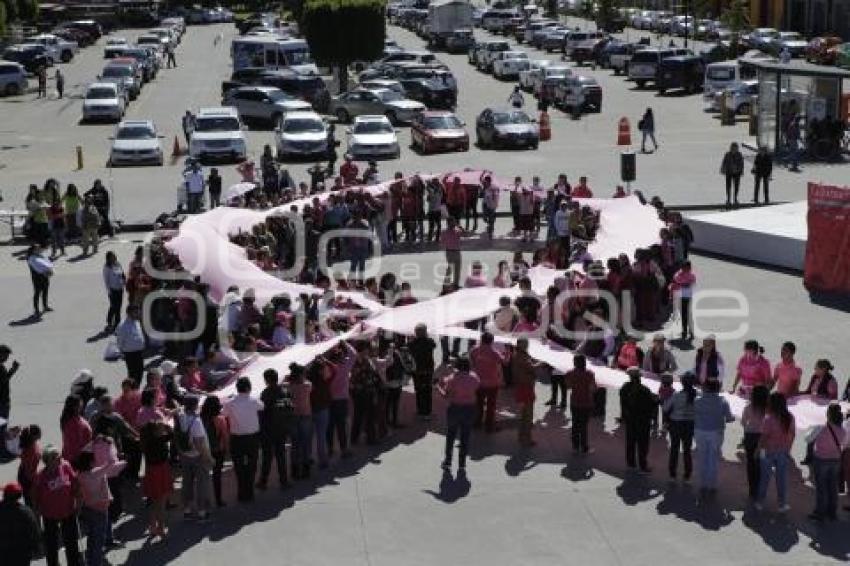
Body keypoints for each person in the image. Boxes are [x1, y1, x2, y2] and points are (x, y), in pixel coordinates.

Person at [33, 445, 82, 566]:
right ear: (48, 461)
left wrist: (79, 504)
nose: (60, 458)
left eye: (59, 455)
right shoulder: (40, 477)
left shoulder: (65, 466)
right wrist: (37, 516)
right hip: (50, 515)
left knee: (71, 543)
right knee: (51, 545)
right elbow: (36, 498)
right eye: (55, 457)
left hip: (68, 511)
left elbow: (75, 484)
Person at [76, 450, 125, 566]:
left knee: (92, 536)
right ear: (90, 462)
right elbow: (111, 464)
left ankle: (90, 558)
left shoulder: (80, 476)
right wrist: (116, 455)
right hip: (100, 509)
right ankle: (96, 562)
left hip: (88, 508)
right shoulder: (96, 473)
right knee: (99, 539)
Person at [223, 377, 263, 502]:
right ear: (248, 388)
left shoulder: (230, 403)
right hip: (252, 438)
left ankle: (241, 492)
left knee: (239, 467)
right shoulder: (254, 400)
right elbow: (262, 407)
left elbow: (223, 414)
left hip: (237, 439)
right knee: (252, 465)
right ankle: (249, 492)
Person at [755, 392, 795, 512]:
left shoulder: (768, 419)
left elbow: (763, 437)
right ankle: (782, 504)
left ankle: (760, 502)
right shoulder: (790, 417)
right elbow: (792, 434)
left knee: (764, 478)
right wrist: (788, 448)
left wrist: (758, 450)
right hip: (783, 451)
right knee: (781, 479)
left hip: (767, 451)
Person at [438, 357, 479, 472]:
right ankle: (462, 464)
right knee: (465, 437)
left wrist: (438, 387)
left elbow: (445, 395)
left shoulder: (452, 379)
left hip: (455, 408)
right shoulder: (474, 377)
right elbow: (476, 387)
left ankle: (448, 461)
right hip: (469, 409)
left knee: (451, 436)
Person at [693, 379, 734, 496]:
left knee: (702, 457)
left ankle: (702, 484)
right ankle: (712, 486)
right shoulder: (723, 401)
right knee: (713, 459)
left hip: (700, 431)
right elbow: (729, 418)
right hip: (716, 432)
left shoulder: (697, 400)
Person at [176, 395, 213, 520]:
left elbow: (178, 408)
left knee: (187, 482)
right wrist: (208, 457)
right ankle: (202, 511)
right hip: (198, 456)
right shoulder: (196, 422)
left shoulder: (180, 416)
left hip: (184, 455)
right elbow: (199, 443)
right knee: (202, 483)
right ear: (195, 405)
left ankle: (186, 510)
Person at [808, 404, 846, 521]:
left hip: (821, 460)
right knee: (833, 486)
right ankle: (832, 511)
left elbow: (808, 439)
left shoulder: (821, 428)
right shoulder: (843, 430)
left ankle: (820, 512)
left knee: (821, 488)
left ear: (828, 415)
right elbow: (843, 444)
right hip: (835, 460)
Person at [138, 412, 173, 537]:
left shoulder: (146, 441)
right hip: (161, 471)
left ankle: (153, 526)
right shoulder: (159, 440)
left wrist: (160, 426)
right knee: (161, 503)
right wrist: (167, 426)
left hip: (151, 471)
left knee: (154, 501)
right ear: (155, 431)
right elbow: (171, 434)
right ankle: (161, 528)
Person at [257, 369, 290, 490]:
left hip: (268, 429)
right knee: (281, 455)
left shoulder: (265, 393)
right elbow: (289, 410)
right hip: (281, 428)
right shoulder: (284, 392)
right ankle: (284, 480)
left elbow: (262, 412)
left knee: (267, 457)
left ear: (267, 380)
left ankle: (263, 481)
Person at [619, 367, 655, 473]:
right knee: (643, 444)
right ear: (639, 377)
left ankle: (631, 463)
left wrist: (624, 416)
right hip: (643, 421)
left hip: (630, 419)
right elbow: (651, 405)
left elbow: (622, 403)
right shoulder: (645, 390)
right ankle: (643, 466)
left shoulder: (625, 388)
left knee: (630, 442)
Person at [664, 372, 697, 481]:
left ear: (682, 383)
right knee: (687, 450)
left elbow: (666, 408)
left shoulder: (676, 395)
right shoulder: (697, 396)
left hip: (676, 424)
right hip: (689, 425)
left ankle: (672, 474)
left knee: (674, 449)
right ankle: (687, 475)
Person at [0, 481, 41, 566]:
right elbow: (34, 531)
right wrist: (36, 548)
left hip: (4, 553)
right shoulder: (26, 512)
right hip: (23, 553)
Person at [470, 332, 504, 432]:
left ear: (481, 339)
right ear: (492, 341)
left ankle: (477, 422)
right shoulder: (495, 352)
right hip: (492, 383)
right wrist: (508, 353)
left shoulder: (474, 350)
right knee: (491, 405)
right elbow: (504, 362)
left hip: (478, 382)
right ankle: (489, 426)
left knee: (478, 403)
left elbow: (471, 360)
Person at [741, 385, 768, 500]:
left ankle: (752, 489)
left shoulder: (748, 407)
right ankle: (761, 488)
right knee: (762, 463)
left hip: (750, 436)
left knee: (750, 462)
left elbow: (743, 422)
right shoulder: (768, 408)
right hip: (764, 438)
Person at [200, 396, 228, 506]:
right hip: (218, 450)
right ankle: (218, 499)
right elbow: (225, 436)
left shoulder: (201, 418)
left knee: (204, 476)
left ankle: (205, 500)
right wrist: (226, 449)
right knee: (217, 475)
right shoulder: (220, 419)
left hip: (204, 449)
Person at [565, 355, 597, 454]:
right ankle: (584, 447)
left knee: (575, 424)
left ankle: (575, 446)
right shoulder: (589, 374)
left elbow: (568, 386)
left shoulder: (569, 373)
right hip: (586, 402)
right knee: (583, 426)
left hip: (575, 401)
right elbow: (593, 388)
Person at [288, 364, 314, 478]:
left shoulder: (288, 386)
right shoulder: (307, 385)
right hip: (305, 415)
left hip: (293, 416)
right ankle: (306, 469)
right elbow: (307, 381)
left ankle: (294, 470)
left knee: (295, 444)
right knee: (306, 443)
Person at [512, 337, 538, 447]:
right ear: (520, 345)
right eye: (525, 343)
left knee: (523, 415)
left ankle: (521, 436)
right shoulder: (522, 357)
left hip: (521, 386)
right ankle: (527, 439)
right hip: (526, 387)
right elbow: (531, 368)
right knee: (528, 415)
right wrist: (540, 364)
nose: (527, 345)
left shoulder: (516, 355)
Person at [409, 324, 437, 419]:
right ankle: (427, 412)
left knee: (418, 390)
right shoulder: (430, 342)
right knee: (427, 391)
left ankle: (420, 410)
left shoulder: (413, 343)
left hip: (417, 370)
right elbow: (434, 345)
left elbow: (409, 349)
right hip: (428, 370)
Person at [116, 305, 146, 385]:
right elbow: (120, 341)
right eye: (136, 312)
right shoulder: (123, 326)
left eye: (139, 312)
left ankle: (136, 390)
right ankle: (131, 390)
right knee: (133, 374)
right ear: (129, 313)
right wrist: (122, 352)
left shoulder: (137, 322)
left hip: (139, 352)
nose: (139, 314)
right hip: (130, 354)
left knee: (140, 372)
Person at [0, 345, 21, 451]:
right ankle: (2, 448)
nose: (7, 357)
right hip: (2, 402)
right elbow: (3, 382)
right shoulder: (0, 368)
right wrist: (13, 370)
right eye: (6, 355)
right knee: (2, 424)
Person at [670, 261, 696, 340]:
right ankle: (684, 330)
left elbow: (693, 283)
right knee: (682, 314)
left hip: (687, 295)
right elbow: (674, 284)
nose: (686, 269)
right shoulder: (677, 275)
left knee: (688, 314)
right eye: (684, 268)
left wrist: (686, 284)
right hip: (679, 295)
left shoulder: (692, 275)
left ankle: (690, 331)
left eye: (688, 268)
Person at [26, 244, 53, 318]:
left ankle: (45, 306)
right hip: (37, 278)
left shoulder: (42, 256)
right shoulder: (31, 258)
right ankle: (36, 310)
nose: (40, 249)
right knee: (37, 293)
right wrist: (45, 272)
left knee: (45, 291)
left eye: (39, 248)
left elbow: (48, 263)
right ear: (33, 251)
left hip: (45, 277)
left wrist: (50, 270)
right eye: (37, 249)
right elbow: (37, 268)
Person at [102, 251, 125, 332]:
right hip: (113, 290)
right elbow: (106, 280)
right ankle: (111, 323)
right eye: (112, 256)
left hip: (120, 289)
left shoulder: (118, 264)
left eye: (114, 256)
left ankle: (116, 323)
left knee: (118, 307)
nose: (114, 257)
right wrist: (109, 292)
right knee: (114, 307)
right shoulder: (107, 267)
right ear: (108, 258)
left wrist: (124, 282)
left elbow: (122, 274)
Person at [441, 217, 463, 287]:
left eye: (454, 222)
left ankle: (455, 283)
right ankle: (446, 283)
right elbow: (443, 242)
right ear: (448, 223)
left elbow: (463, 234)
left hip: (456, 251)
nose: (453, 223)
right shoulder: (446, 232)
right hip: (450, 251)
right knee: (450, 268)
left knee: (457, 268)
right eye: (452, 222)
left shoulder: (456, 231)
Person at [720, 142, 744, 208]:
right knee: (728, 187)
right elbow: (724, 162)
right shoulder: (727, 154)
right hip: (729, 172)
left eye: (735, 148)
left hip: (737, 173)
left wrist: (740, 171)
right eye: (732, 148)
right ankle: (728, 199)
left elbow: (741, 164)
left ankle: (735, 199)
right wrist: (722, 169)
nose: (734, 149)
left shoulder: (739, 155)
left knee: (736, 187)